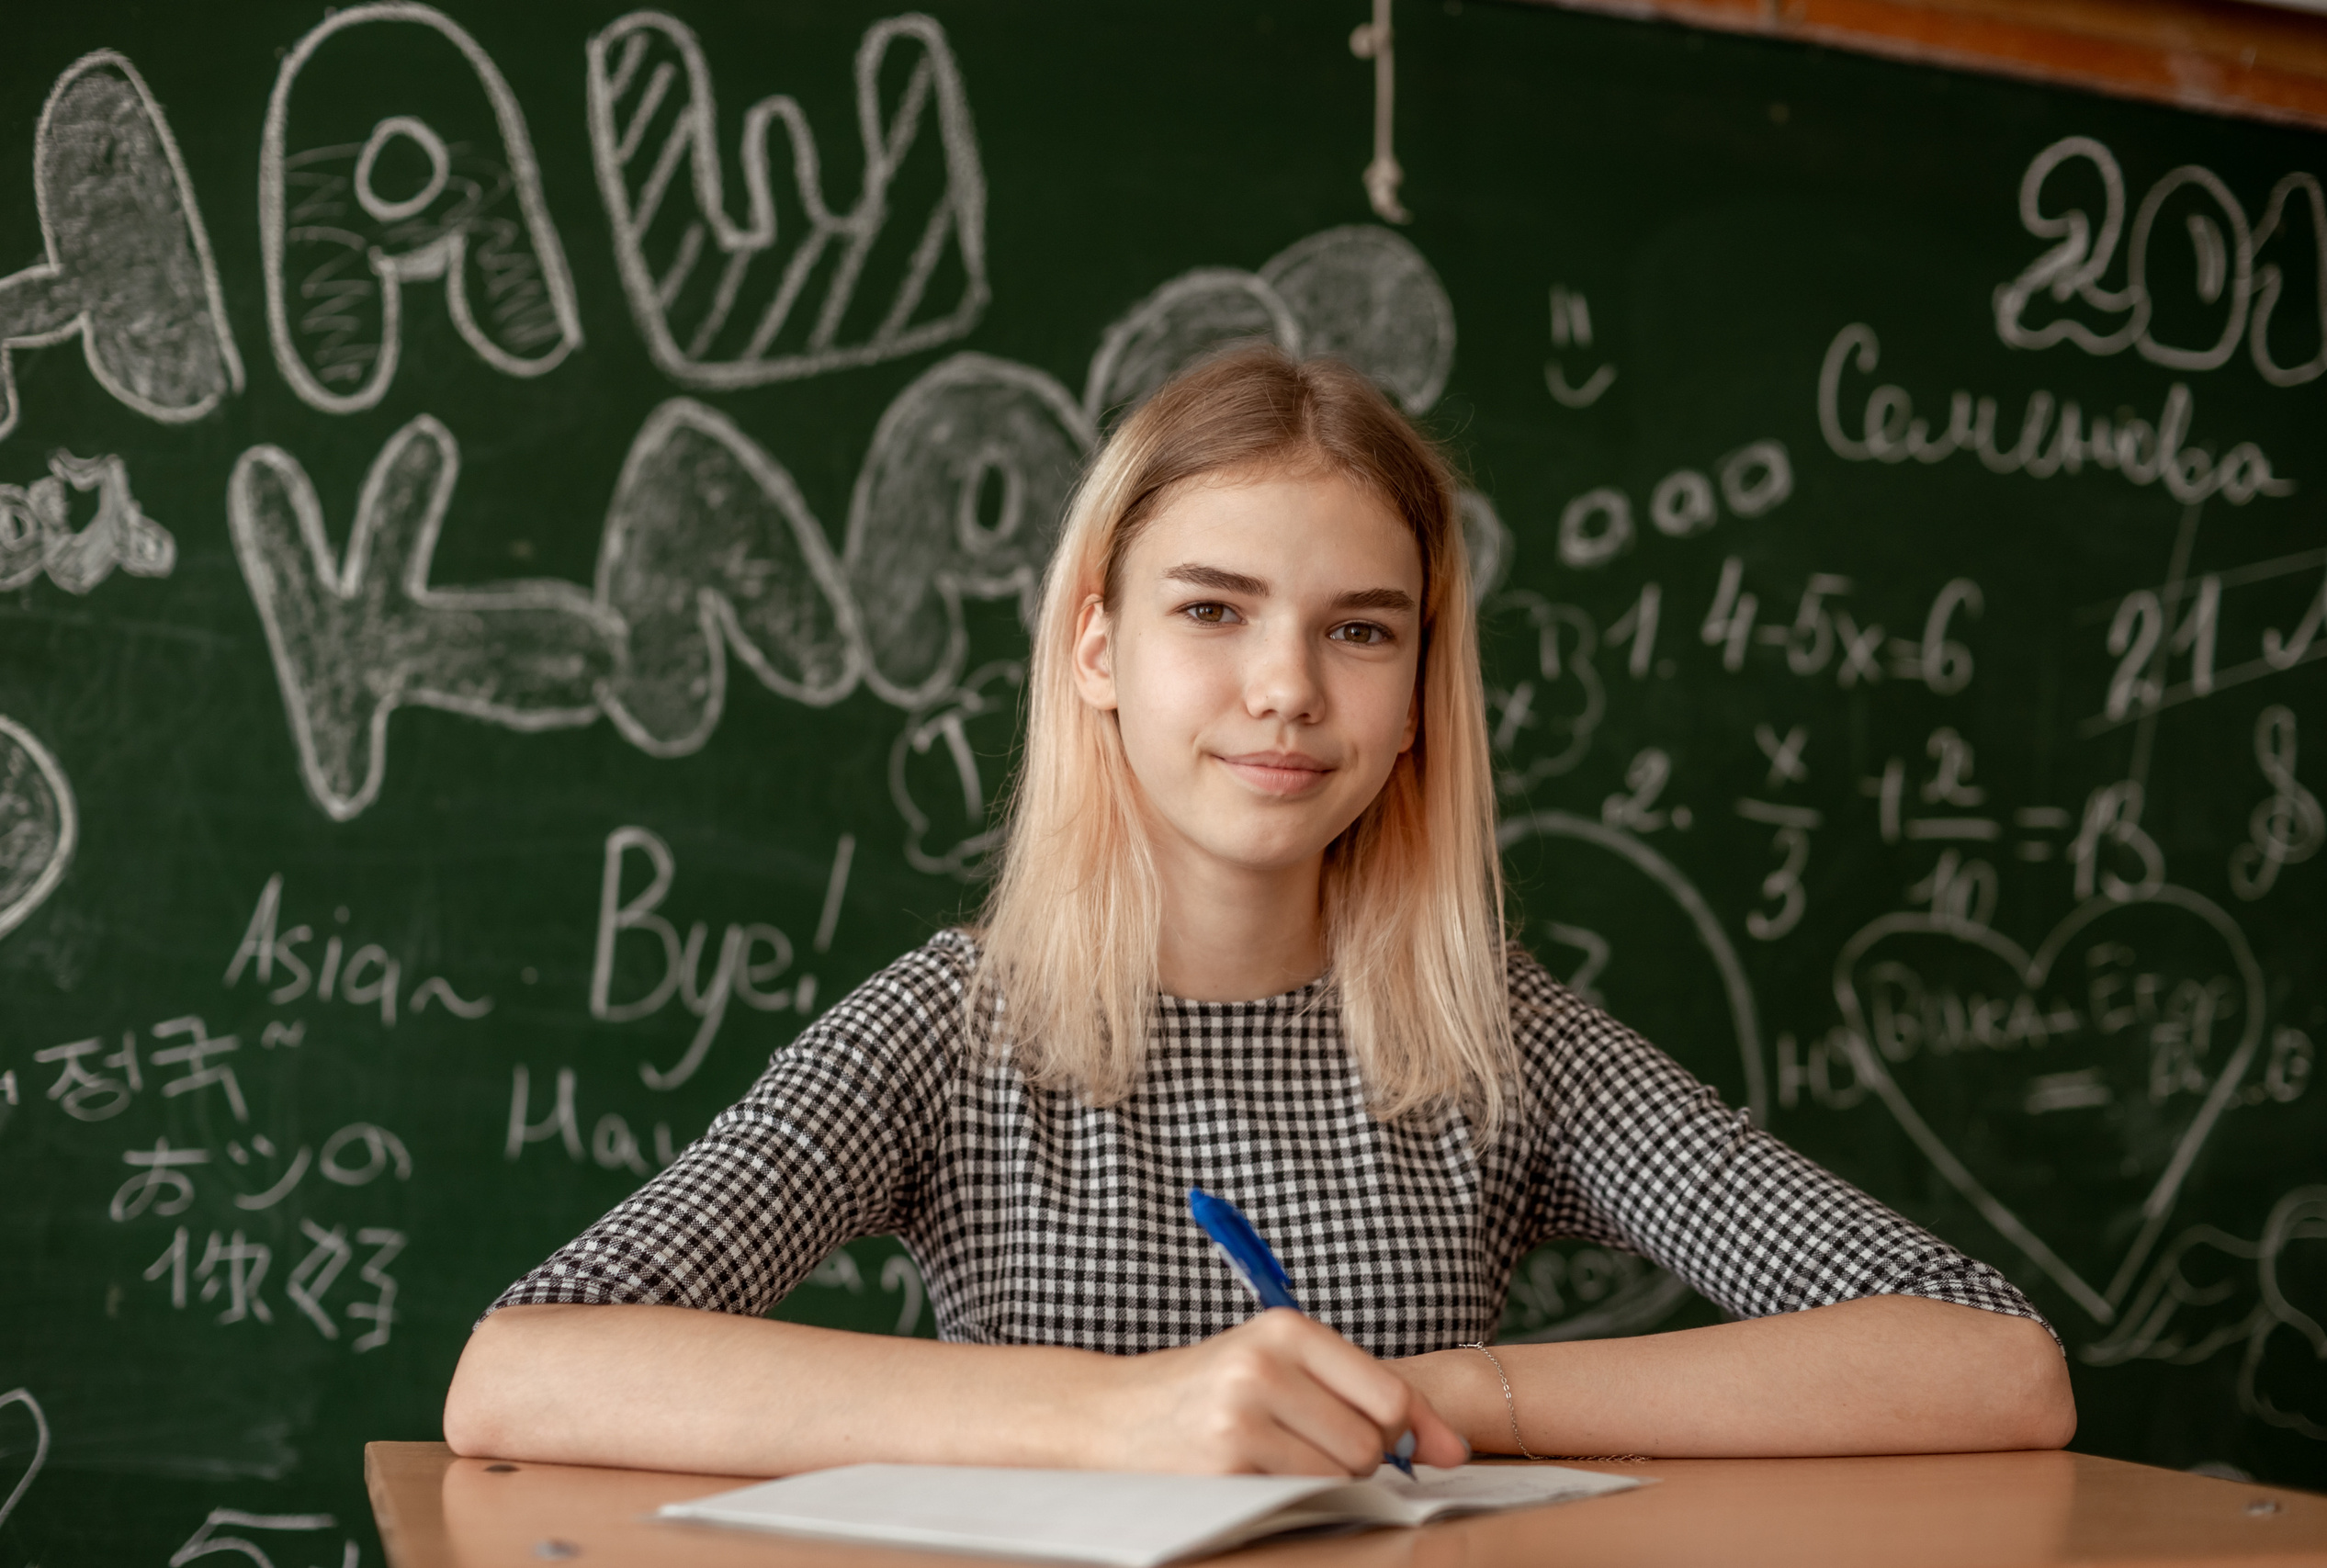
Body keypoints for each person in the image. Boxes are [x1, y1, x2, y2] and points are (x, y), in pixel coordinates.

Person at [444, 346, 2073, 1479]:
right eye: (1213, 611)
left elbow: (1993, 1364)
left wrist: (1452, 1400)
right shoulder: (956, 1031)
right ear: (1097, 648)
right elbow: (526, 1368)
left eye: (1362, 632)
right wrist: (1115, 1422)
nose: (1286, 690)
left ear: (1423, 690)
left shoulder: (1492, 1040)